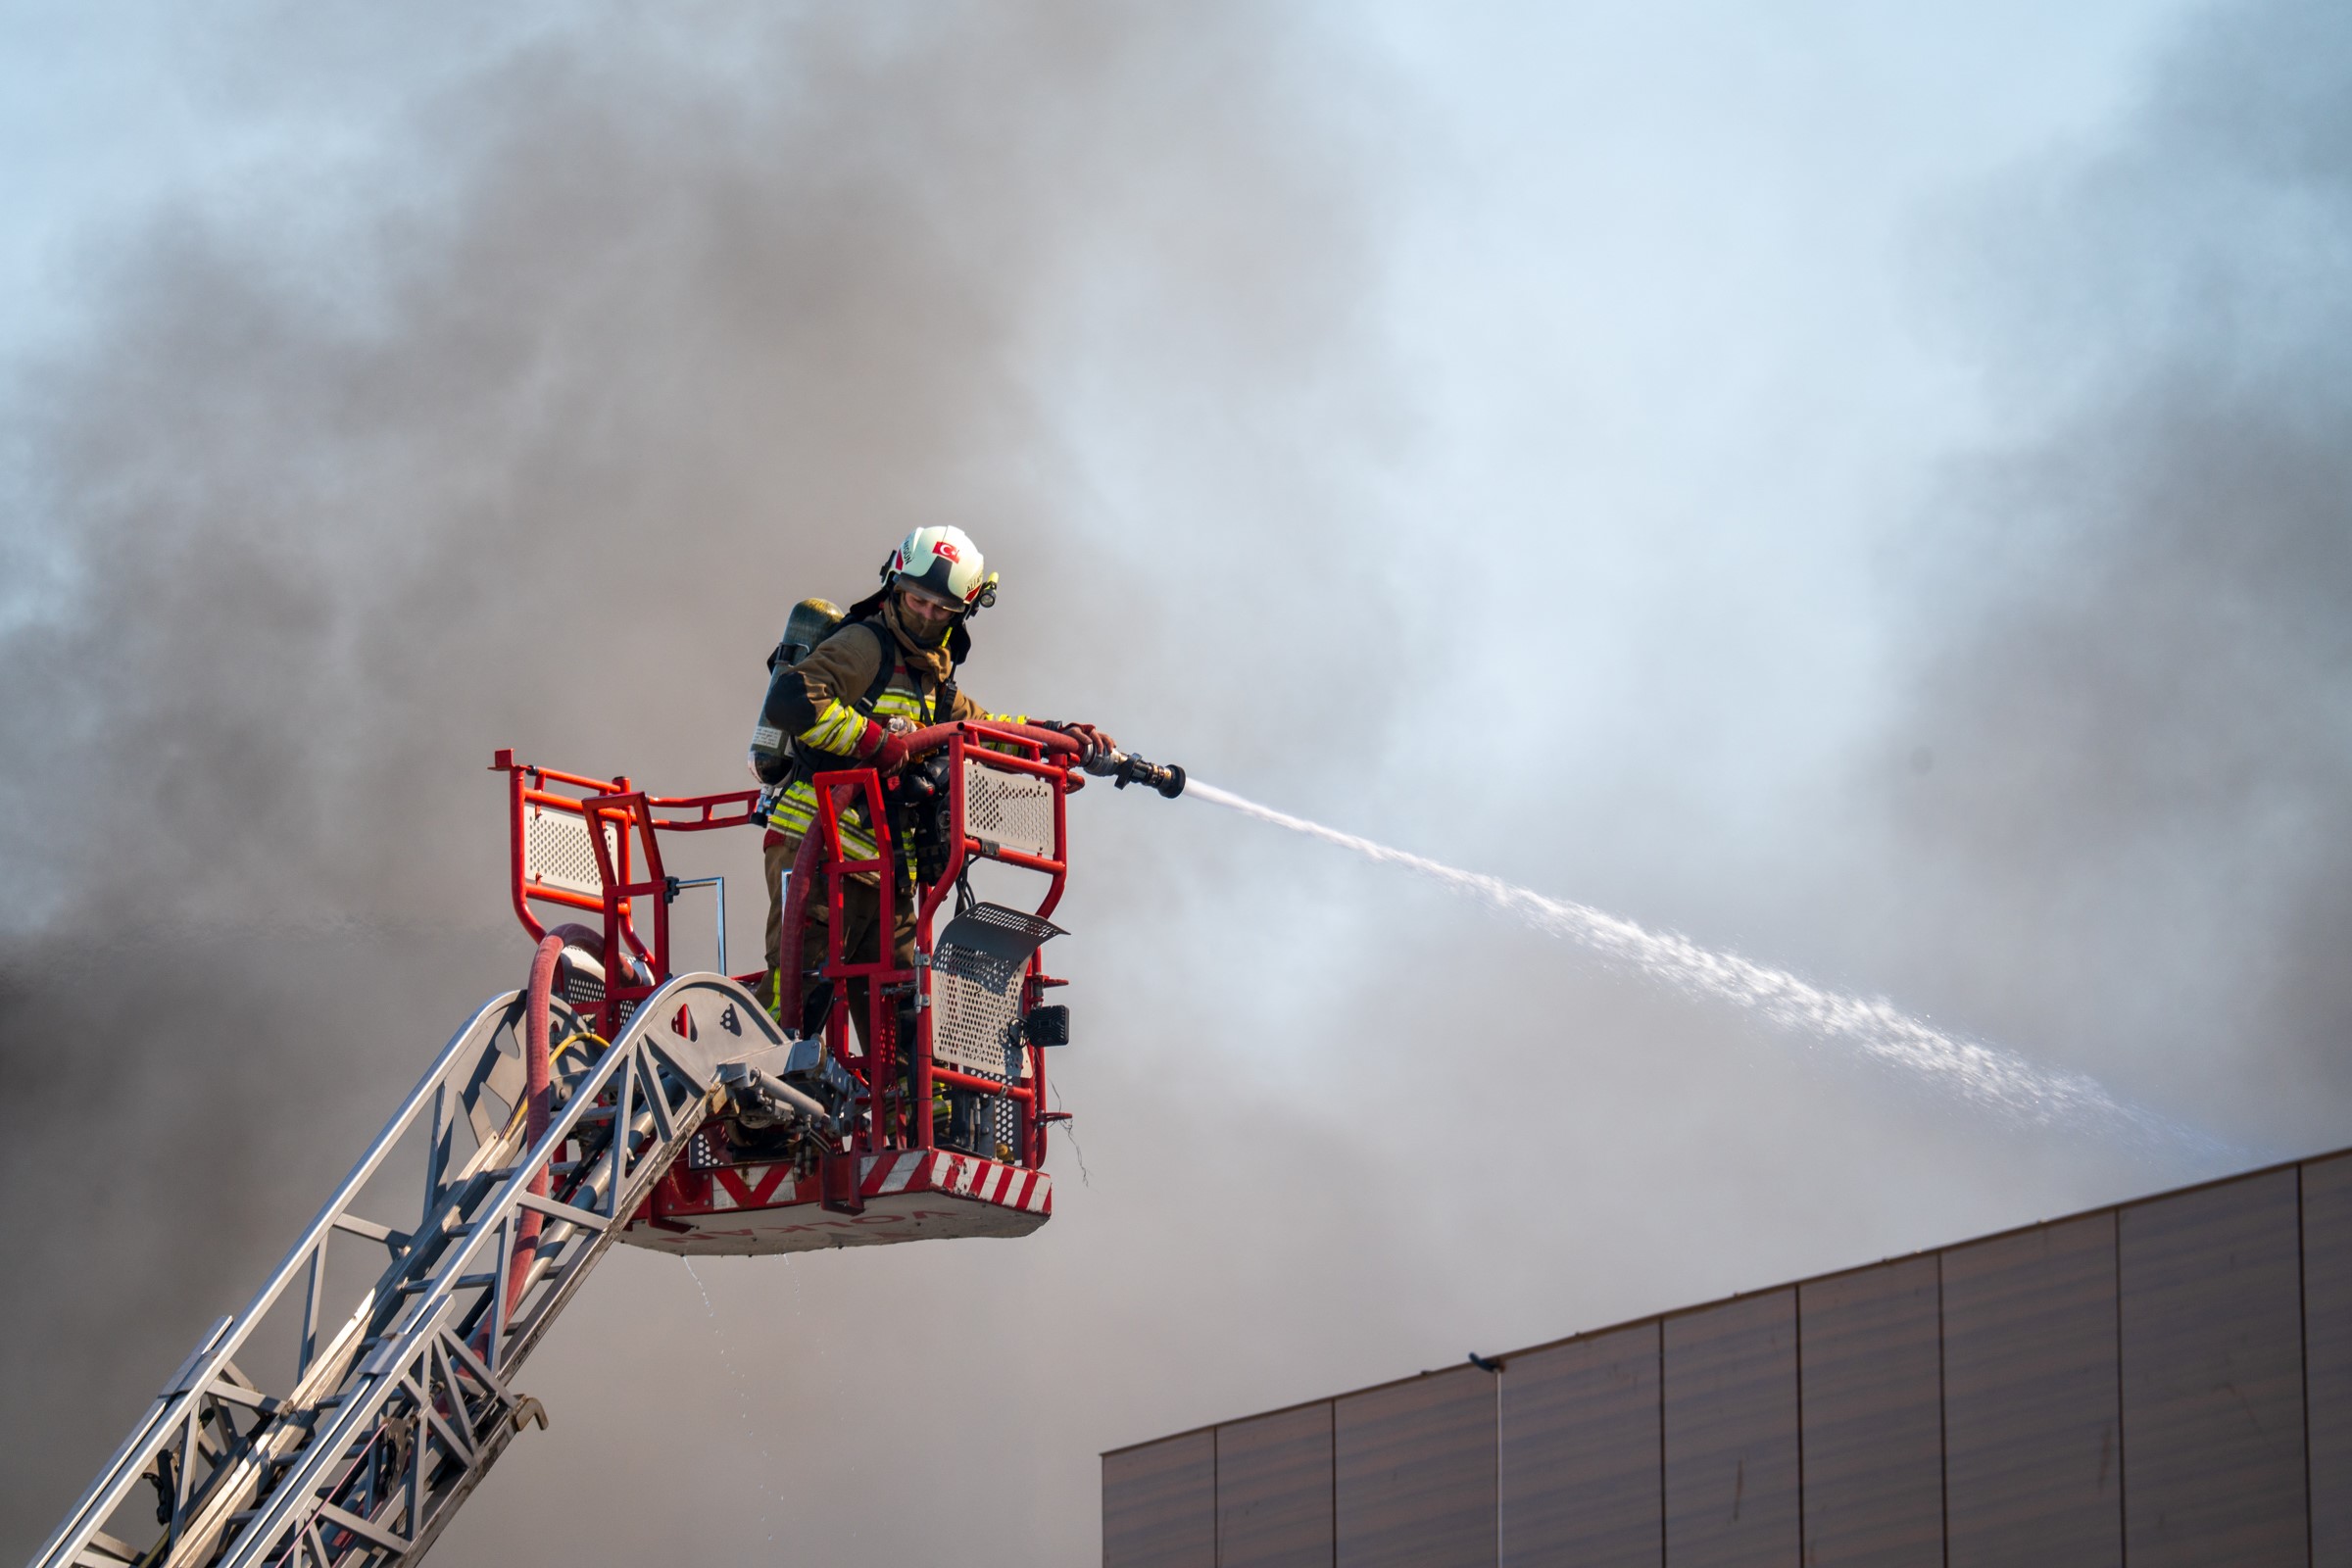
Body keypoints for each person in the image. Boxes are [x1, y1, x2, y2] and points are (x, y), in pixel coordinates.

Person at [747, 525, 1112, 1041]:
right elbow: (791, 700)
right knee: (798, 993)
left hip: (884, 869)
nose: (926, 615)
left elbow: (980, 733)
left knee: (901, 1018)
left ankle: (925, 1118)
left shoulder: (932, 680)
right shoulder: (865, 645)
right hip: (819, 845)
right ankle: (739, 1095)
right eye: (918, 600)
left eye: (942, 609)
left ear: (962, 613)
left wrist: (1051, 741)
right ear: (896, 587)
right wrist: (875, 742)